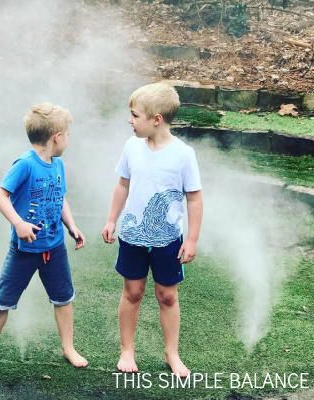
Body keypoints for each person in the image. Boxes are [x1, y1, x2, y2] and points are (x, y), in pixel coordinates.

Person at [0, 103, 88, 367]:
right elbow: (0, 195)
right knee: (2, 301)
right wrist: (19, 223)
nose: (68, 139)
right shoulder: (25, 164)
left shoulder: (58, 165)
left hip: (54, 249)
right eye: (67, 134)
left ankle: (68, 348)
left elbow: (60, 198)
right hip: (23, 251)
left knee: (63, 300)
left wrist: (72, 226)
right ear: (57, 136)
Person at [101, 83, 203, 377]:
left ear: (156, 119)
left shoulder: (184, 154)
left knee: (167, 296)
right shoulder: (132, 146)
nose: (129, 121)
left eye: (134, 115)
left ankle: (172, 353)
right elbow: (123, 184)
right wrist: (111, 220)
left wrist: (192, 239)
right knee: (132, 292)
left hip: (168, 241)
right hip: (132, 236)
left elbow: (194, 197)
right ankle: (127, 349)